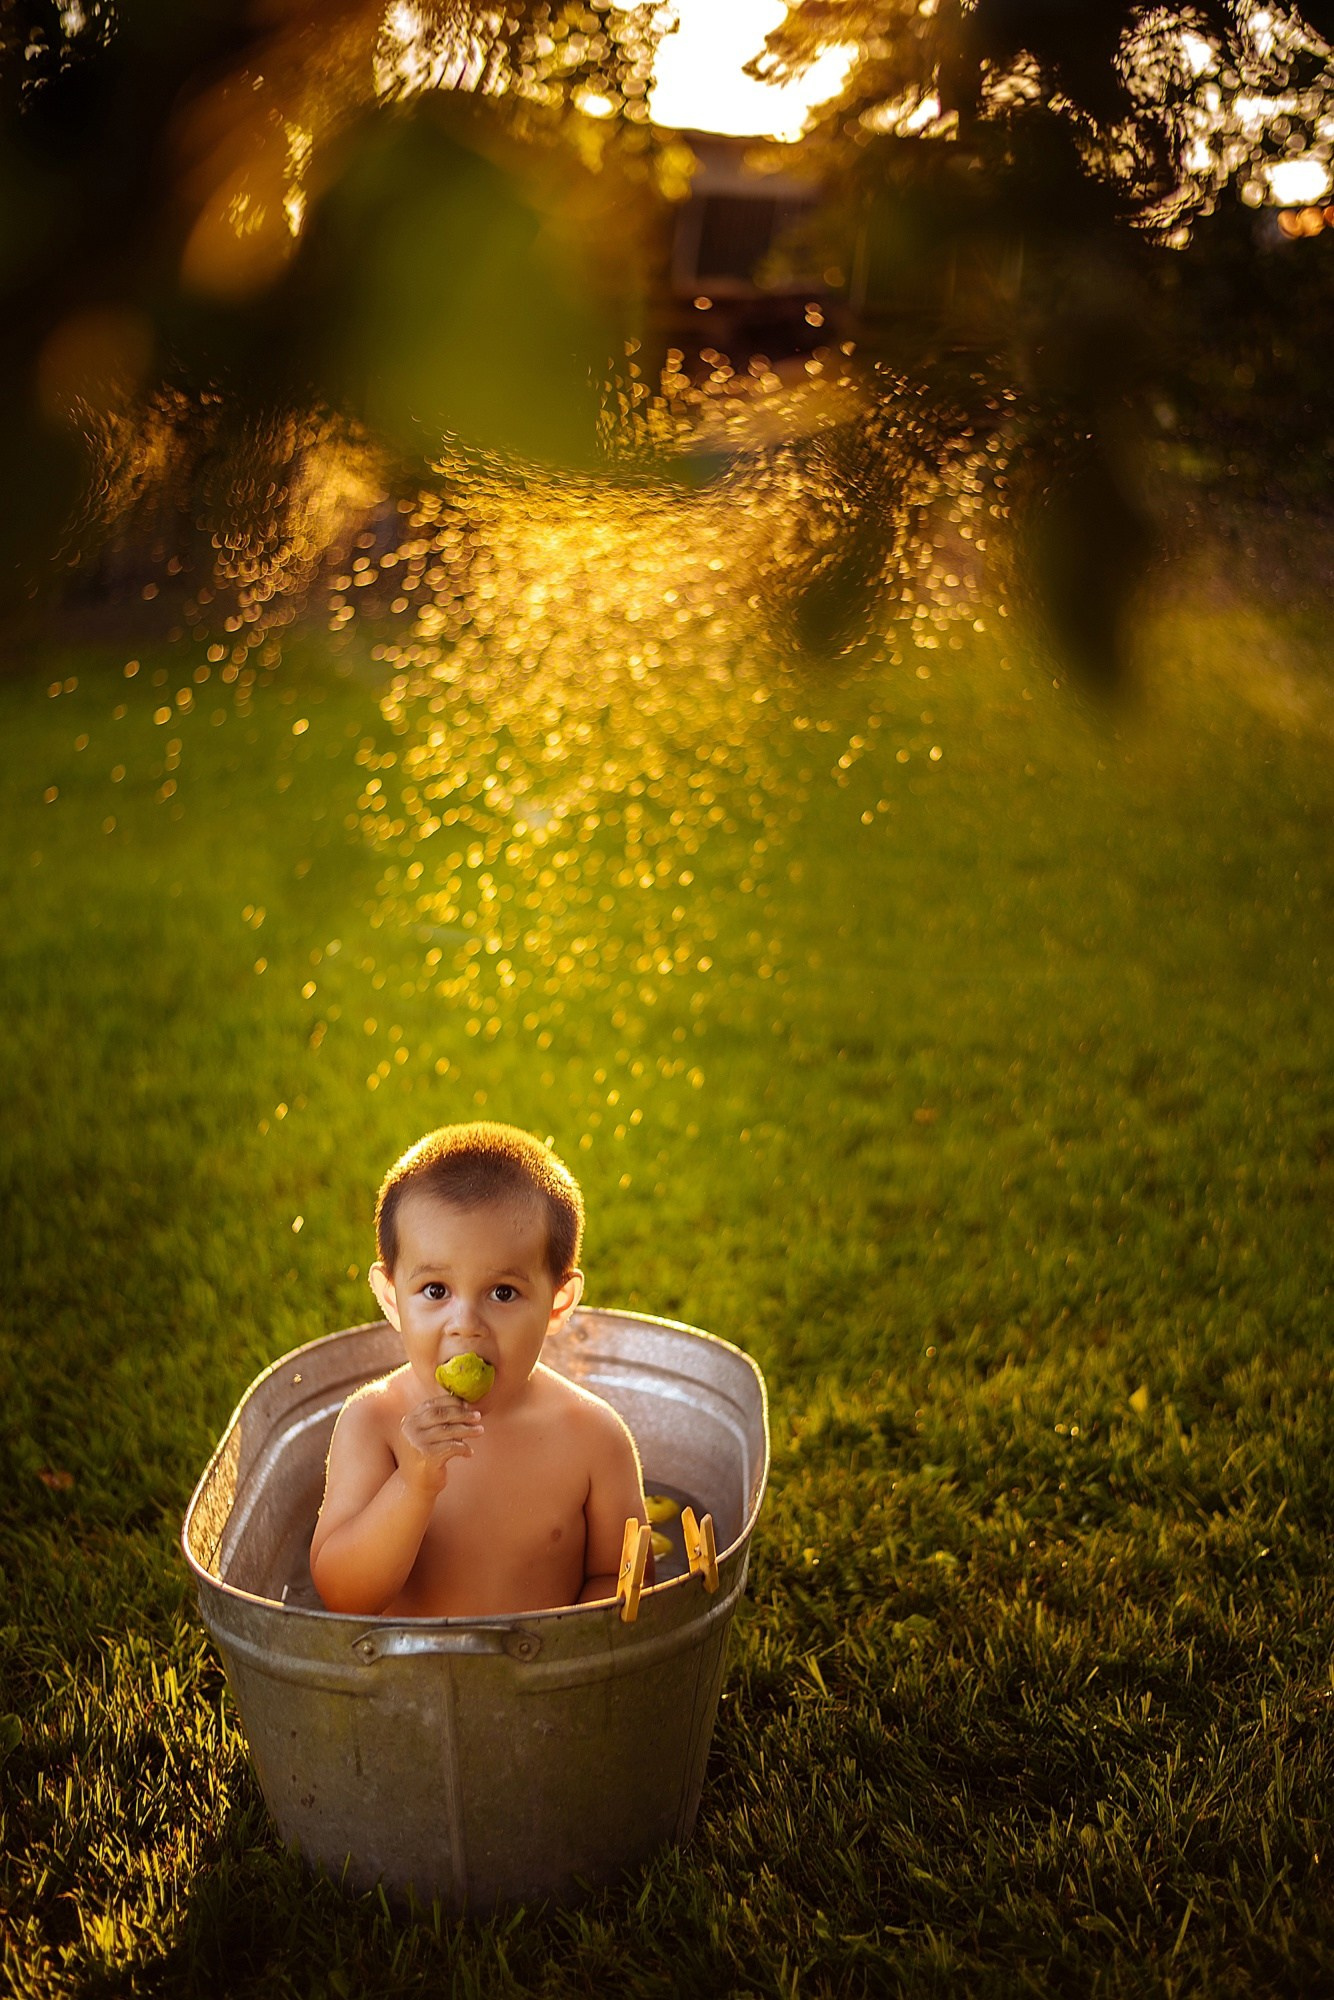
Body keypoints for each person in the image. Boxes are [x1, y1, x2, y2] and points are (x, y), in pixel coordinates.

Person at [310, 1122, 651, 1617]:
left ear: (558, 1304)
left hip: (549, 1685)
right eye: (435, 1291)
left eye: (503, 1293)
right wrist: (412, 1486)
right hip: (408, 1685)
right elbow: (342, 1594)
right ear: (390, 1298)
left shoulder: (593, 1437)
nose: (465, 1326)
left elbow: (627, 1580)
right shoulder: (375, 1424)